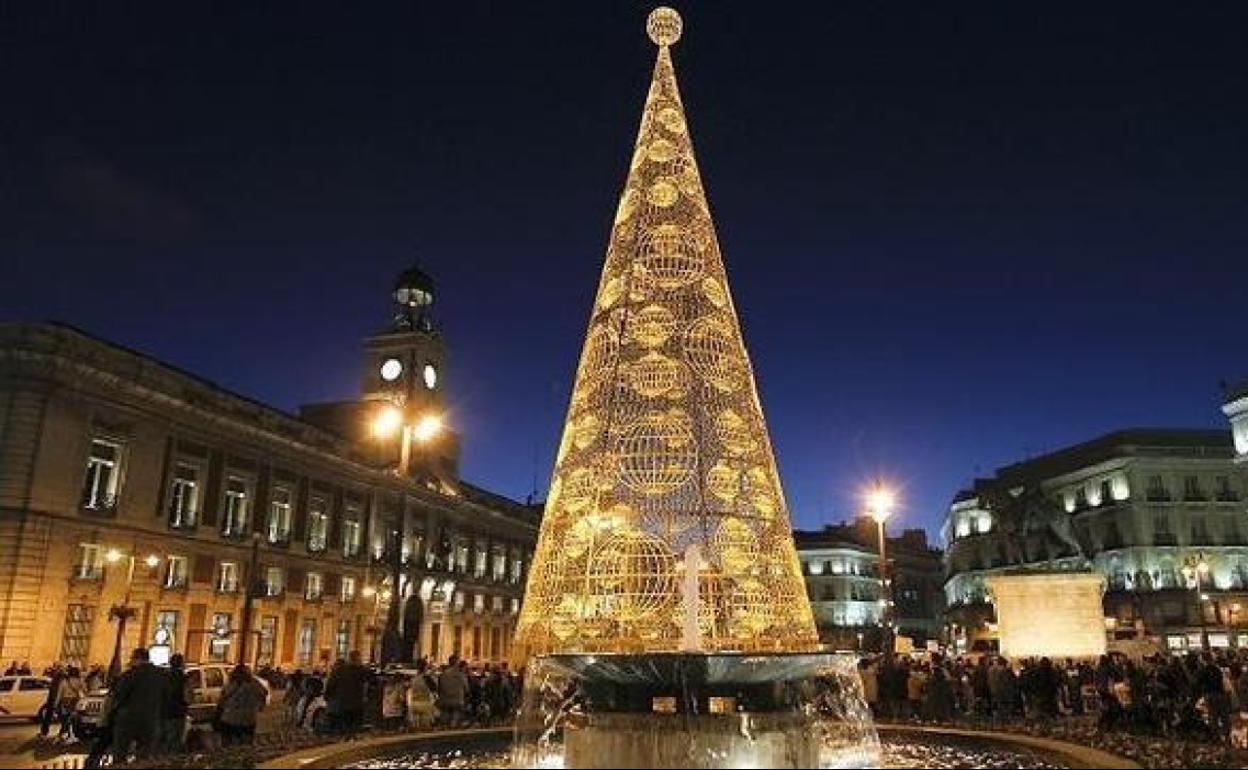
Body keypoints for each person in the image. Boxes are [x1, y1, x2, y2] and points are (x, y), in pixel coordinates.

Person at [107, 648, 168, 762]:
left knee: (120, 752)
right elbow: (165, 696)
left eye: (132, 658)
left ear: (137, 658)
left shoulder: (130, 674)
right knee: (144, 755)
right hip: (151, 719)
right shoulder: (161, 675)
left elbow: (119, 695)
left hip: (128, 719)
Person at [215, 665, 267, 746]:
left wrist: (219, 711)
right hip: (248, 720)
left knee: (228, 744)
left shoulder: (230, 684)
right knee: (245, 745)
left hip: (230, 719)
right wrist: (260, 706)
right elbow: (264, 693)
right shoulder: (255, 684)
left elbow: (222, 700)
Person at [324, 651, 369, 736]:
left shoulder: (339, 671)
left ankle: (344, 740)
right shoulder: (362, 670)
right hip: (357, 705)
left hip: (342, 705)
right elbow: (372, 681)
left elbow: (330, 686)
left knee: (343, 728)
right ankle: (351, 739)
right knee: (354, 728)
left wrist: (327, 697)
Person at [161, 654, 189, 752]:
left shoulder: (164, 676)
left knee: (165, 737)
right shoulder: (184, 678)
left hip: (164, 711)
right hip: (178, 712)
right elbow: (187, 697)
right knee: (176, 738)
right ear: (181, 663)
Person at [437, 654, 469, 727]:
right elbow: (466, 688)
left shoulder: (443, 674)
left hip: (445, 700)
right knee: (455, 719)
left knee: (445, 719)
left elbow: (440, 687)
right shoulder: (461, 675)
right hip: (457, 701)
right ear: (456, 663)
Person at [55, 666, 85, 742]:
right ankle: (71, 734)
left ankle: (63, 734)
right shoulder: (80, 681)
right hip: (75, 701)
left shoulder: (64, 681)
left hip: (65, 701)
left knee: (65, 718)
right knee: (73, 719)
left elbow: (59, 693)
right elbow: (84, 690)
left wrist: (56, 703)